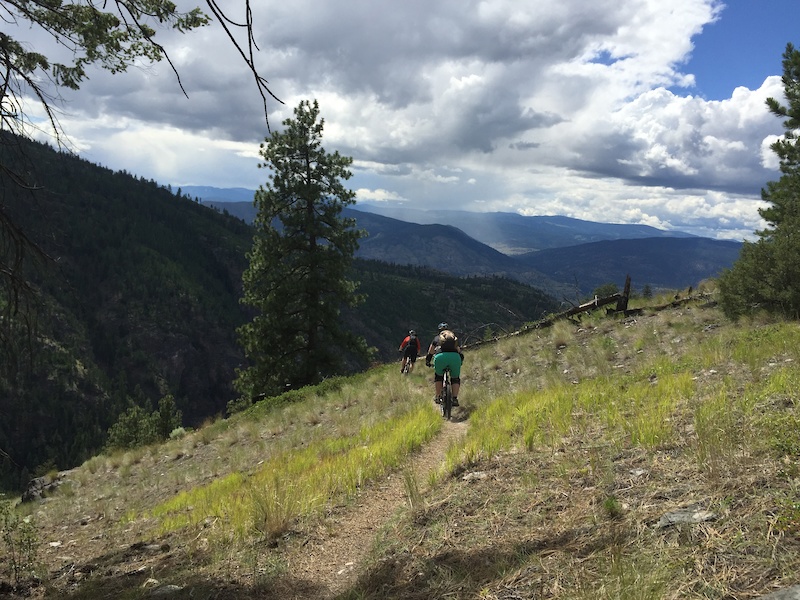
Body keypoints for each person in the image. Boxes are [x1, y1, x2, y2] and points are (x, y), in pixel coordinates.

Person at [425, 322, 463, 406]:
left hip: (440, 357)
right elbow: (459, 351)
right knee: (455, 378)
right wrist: (460, 360)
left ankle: (438, 396)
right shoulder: (453, 338)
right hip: (455, 357)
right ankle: (454, 398)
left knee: (439, 377)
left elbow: (430, 351)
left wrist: (428, 361)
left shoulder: (437, 338)